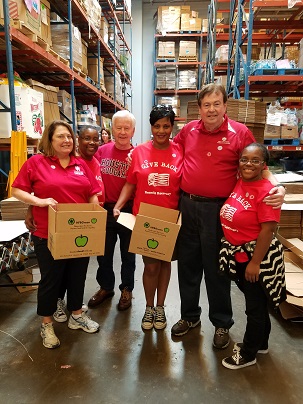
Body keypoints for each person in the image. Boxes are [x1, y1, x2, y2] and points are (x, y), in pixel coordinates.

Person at [171, 83, 285, 349]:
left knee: (217, 269)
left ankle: (222, 323)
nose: (211, 110)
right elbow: (169, 151)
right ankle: (189, 316)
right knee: (187, 265)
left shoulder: (239, 132)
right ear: (199, 108)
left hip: (218, 211)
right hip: (187, 205)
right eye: (206, 105)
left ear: (225, 106)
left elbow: (259, 164)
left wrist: (278, 185)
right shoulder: (188, 130)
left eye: (216, 104)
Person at [12, 120, 101, 349]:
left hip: (79, 232)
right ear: (50, 141)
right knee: (51, 279)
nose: (67, 141)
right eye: (61, 136)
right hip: (47, 233)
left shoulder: (80, 164)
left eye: (69, 137)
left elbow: (92, 192)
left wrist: (94, 210)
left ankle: (76, 315)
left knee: (77, 275)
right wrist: (38, 202)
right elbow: (17, 189)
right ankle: (46, 323)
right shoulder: (37, 163)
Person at [113, 105, 183, 330]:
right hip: (144, 218)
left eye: (166, 126)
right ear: (150, 127)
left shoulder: (180, 151)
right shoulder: (139, 152)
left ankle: (160, 308)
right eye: (157, 126)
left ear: (172, 127)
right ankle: (149, 307)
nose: (161, 130)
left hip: (170, 218)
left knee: (165, 263)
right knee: (151, 266)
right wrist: (118, 205)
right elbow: (131, 183)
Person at [219, 143, 286, 369]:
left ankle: (248, 353)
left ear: (263, 165)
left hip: (256, 257)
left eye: (255, 160)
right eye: (244, 159)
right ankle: (261, 343)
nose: (249, 163)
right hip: (240, 254)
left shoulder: (268, 193)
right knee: (258, 304)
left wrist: (255, 263)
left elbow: (268, 230)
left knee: (254, 308)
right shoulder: (241, 180)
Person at [88, 110, 136, 311]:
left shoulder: (138, 154)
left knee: (128, 255)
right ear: (112, 129)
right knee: (103, 253)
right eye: (119, 128)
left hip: (128, 210)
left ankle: (127, 289)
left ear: (133, 130)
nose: (123, 132)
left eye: (127, 128)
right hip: (104, 209)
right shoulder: (102, 151)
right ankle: (106, 287)